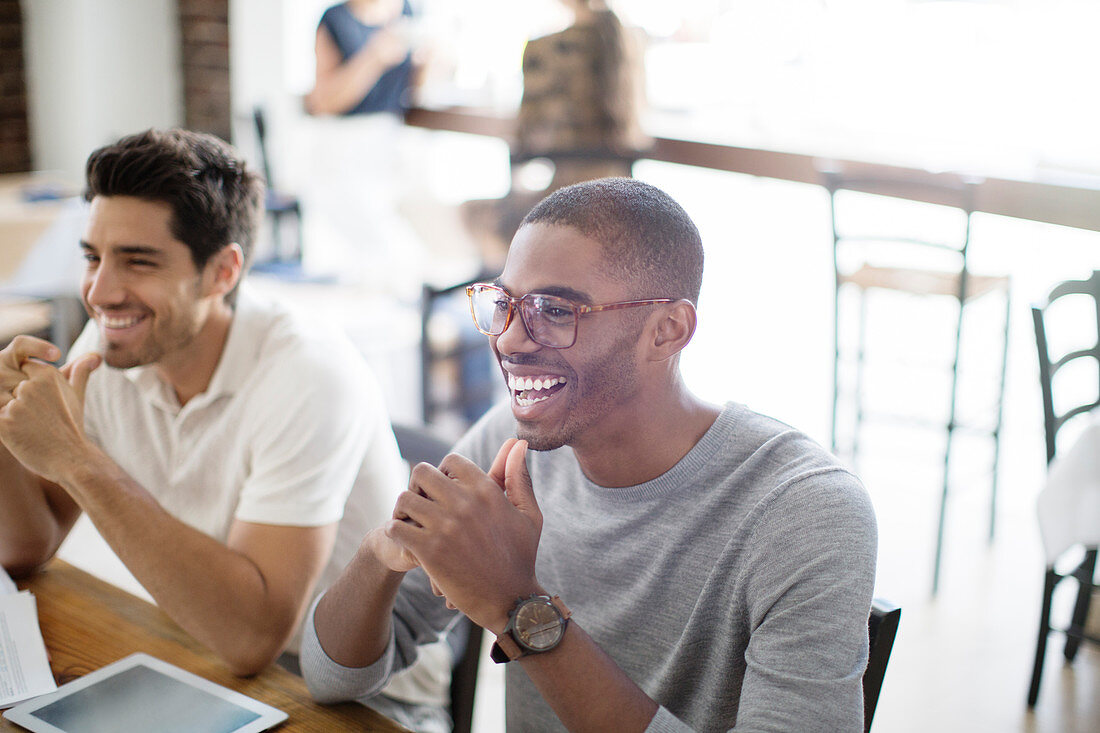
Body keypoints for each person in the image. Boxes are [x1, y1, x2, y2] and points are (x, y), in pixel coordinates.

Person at [301, 177, 879, 731]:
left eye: (555, 311)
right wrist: (380, 552)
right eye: (504, 303)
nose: (508, 339)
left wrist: (518, 608)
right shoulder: (514, 442)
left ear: (667, 331)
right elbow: (331, 680)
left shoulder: (806, 513)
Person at [0, 129, 451, 731]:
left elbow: (253, 637)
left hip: (358, 704)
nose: (99, 292)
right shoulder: (116, 340)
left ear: (222, 273)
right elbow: (24, 548)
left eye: (137, 260)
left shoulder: (307, 373)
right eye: (92, 256)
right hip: (202, 658)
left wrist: (78, 460)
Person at [462, 0, 651, 271]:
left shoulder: (546, 49)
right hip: (621, 203)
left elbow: (525, 133)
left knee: (473, 212)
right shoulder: (630, 42)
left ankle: (515, 295)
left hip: (569, 197)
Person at [305, 0, 416, 117]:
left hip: (395, 127)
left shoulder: (406, 10)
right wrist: (373, 60)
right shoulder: (334, 18)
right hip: (347, 128)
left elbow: (409, 89)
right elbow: (321, 103)